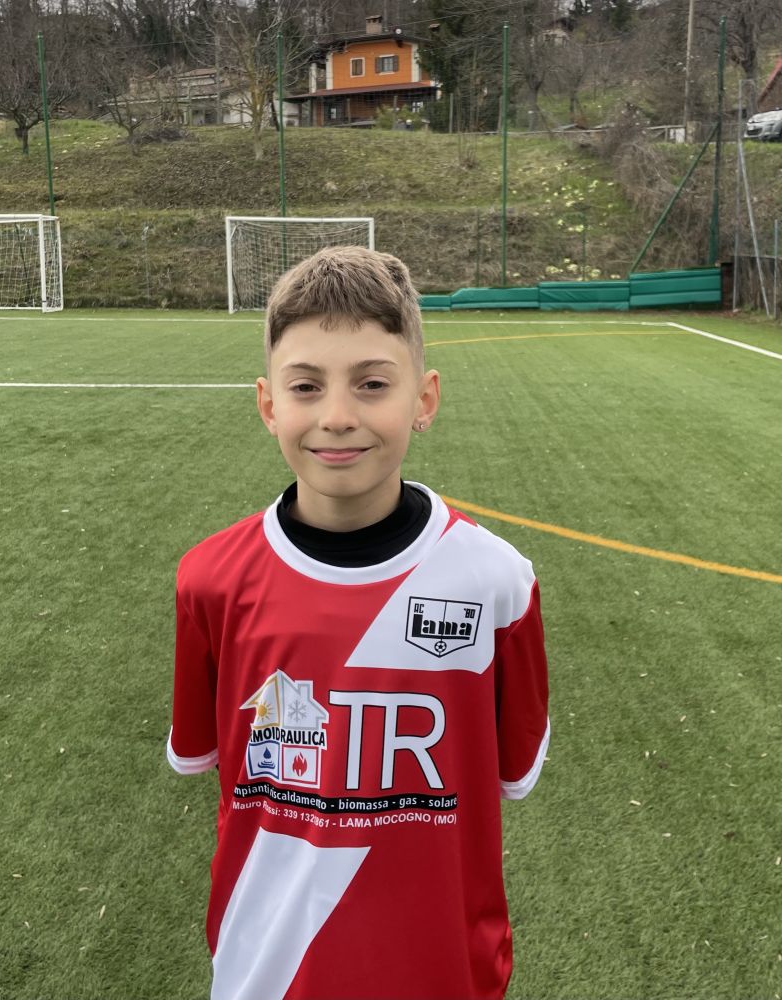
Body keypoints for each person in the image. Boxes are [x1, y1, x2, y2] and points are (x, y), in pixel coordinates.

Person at [167, 246, 550, 1000]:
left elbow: (510, 775)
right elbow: (201, 756)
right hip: (266, 976)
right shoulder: (210, 579)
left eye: (372, 384)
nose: (337, 417)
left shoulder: (497, 581)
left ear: (424, 399)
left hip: (443, 976)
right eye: (305, 386)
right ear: (268, 404)